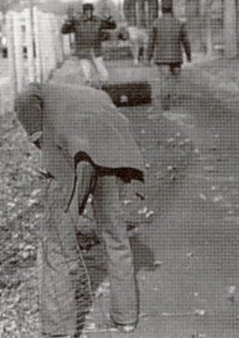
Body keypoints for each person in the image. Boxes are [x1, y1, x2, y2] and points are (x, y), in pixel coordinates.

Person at [15, 82, 145, 336]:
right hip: (112, 156)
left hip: (76, 160)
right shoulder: (96, 94)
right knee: (116, 238)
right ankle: (126, 318)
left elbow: (23, 99)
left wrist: (39, 137)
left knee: (55, 244)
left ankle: (58, 330)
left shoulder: (37, 90)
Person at [146, 1, 191, 110]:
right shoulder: (179, 23)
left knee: (165, 79)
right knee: (176, 79)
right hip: (176, 56)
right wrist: (188, 55)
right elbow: (185, 40)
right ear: (172, 9)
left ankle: (165, 102)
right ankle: (176, 100)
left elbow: (151, 41)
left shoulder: (156, 23)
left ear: (161, 9)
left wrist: (148, 56)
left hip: (162, 57)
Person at [61, 3, 116, 85]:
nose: (88, 13)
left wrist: (110, 19)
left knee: (102, 70)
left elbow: (112, 26)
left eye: (90, 11)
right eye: (86, 11)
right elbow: (64, 31)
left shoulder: (98, 20)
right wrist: (67, 23)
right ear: (84, 12)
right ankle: (89, 86)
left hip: (95, 49)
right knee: (86, 72)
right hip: (82, 49)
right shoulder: (77, 21)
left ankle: (104, 85)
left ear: (92, 11)